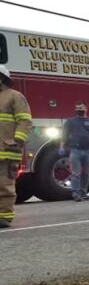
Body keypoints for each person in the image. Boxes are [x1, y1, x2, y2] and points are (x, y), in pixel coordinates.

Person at [0, 65, 32, 228]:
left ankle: (4, 217)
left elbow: (25, 121)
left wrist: (16, 141)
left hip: (7, 150)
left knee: (5, 184)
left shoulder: (15, 96)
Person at [60, 101, 89, 202]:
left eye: (81, 108)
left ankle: (83, 193)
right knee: (76, 173)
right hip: (75, 150)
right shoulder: (70, 121)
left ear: (86, 109)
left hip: (88, 151)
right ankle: (75, 194)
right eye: (77, 108)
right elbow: (64, 135)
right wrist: (61, 147)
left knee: (86, 174)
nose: (79, 110)